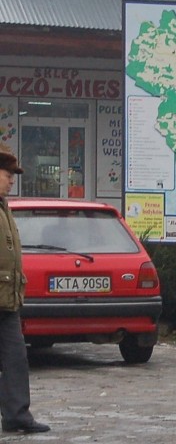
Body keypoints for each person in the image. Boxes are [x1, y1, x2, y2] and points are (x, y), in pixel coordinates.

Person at [0, 151, 49, 434]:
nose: (10, 183)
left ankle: (17, 415)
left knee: (16, 358)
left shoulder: (4, 207)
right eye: (8, 176)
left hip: (7, 300)